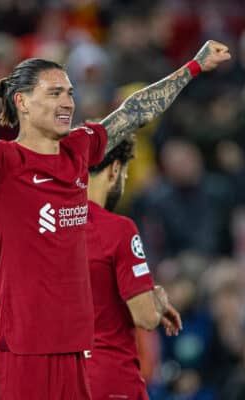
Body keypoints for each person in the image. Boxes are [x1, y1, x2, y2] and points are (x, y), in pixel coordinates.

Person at [0, 40, 229, 399]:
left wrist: (194, 66)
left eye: (70, 93)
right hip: (19, 350)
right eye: (55, 92)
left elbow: (135, 111)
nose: (68, 102)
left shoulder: (78, 148)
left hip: (73, 351)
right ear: (22, 102)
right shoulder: (1, 163)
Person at [85, 137, 182, 400]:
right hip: (110, 380)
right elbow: (146, 317)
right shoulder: (119, 229)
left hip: (59, 380)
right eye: (126, 173)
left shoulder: (49, 228)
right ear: (114, 169)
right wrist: (156, 299)